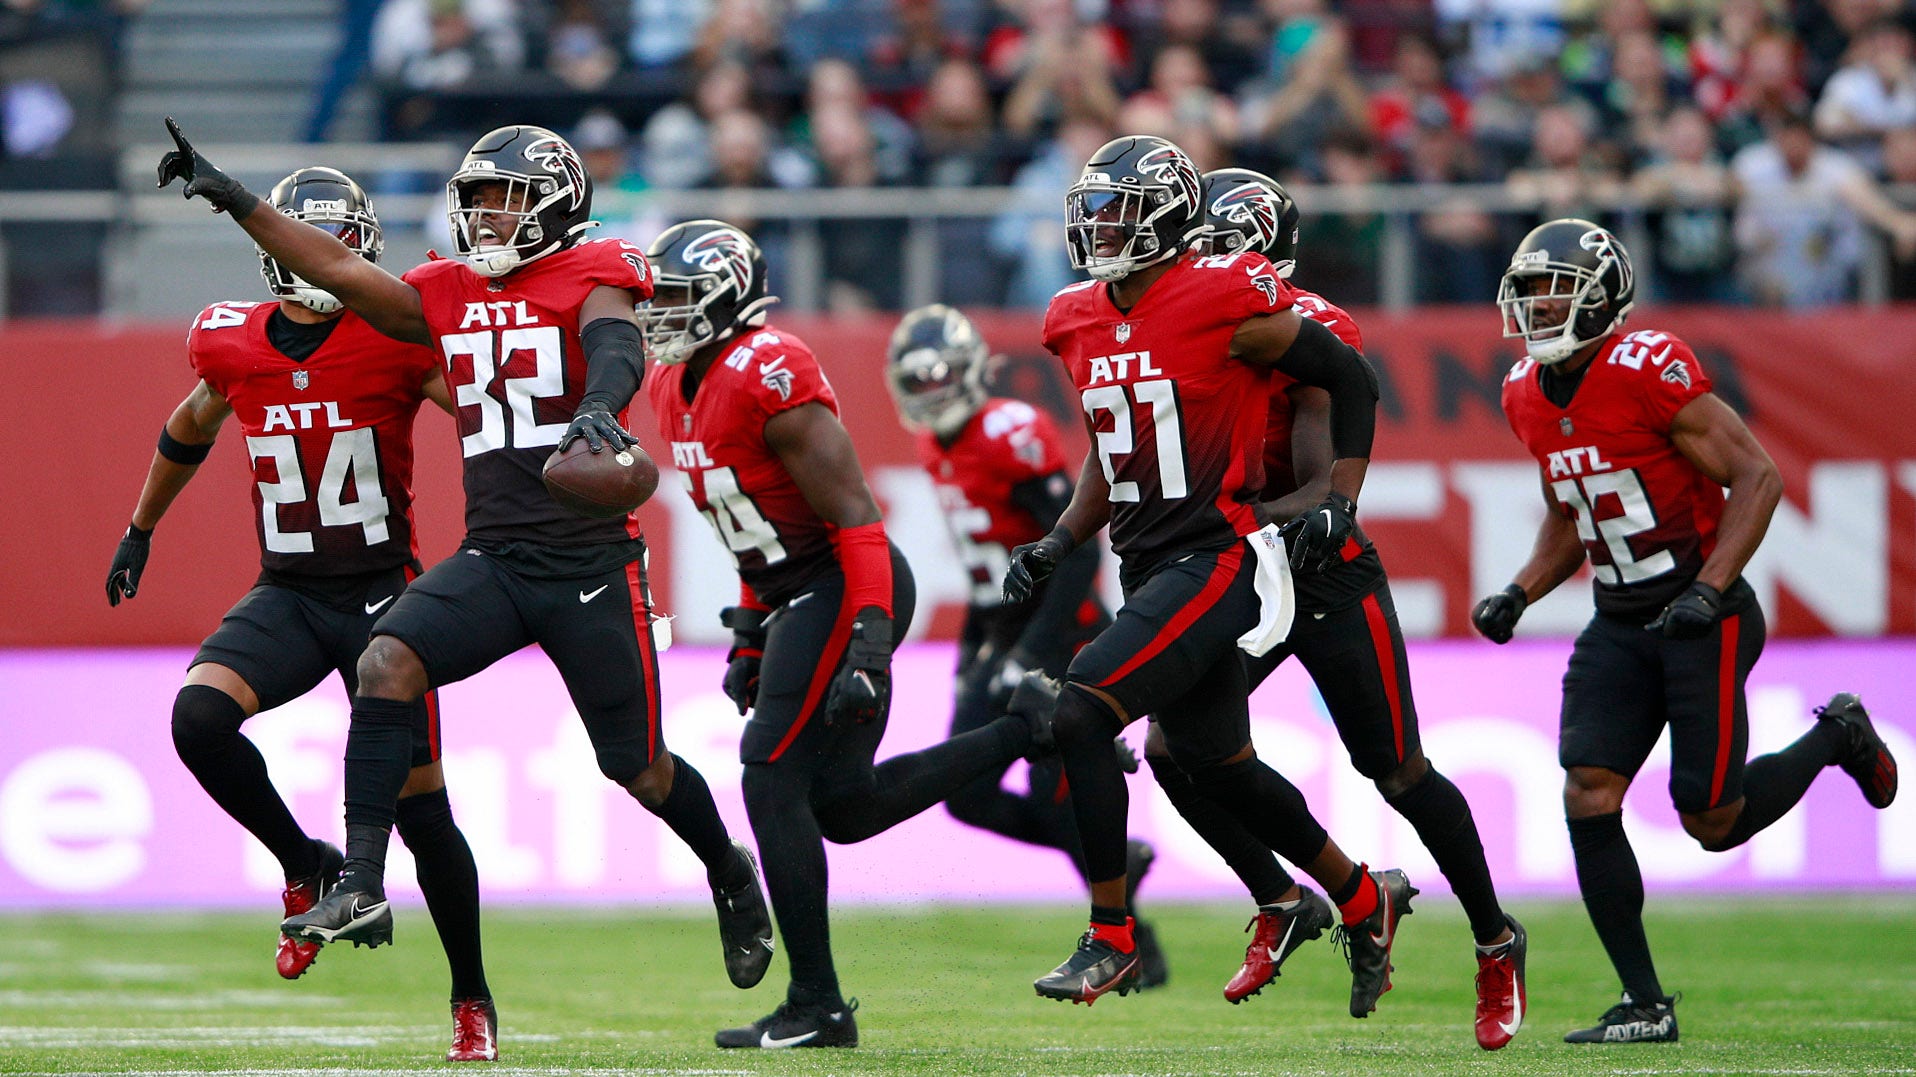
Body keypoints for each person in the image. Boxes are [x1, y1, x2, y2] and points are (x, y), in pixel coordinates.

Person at [154, 121, 776, 1042]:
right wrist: (238, 198)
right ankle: (360, 880)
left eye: (503, 196)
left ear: (555, 199)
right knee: (387, 660)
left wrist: (601, 405)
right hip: (496, 556)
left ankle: (728, 868)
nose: (485, 212)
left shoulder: (595, 267)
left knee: (634, 767)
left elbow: (615, 342)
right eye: (477, 196)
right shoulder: (442, 290)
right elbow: (339, 273)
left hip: (592, 565)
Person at [1473, 218, 1900, 1044]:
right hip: (1618, 615)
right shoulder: (1525, 390)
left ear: (1603, 299)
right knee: (1587, 790)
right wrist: (1520, 592)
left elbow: (1758, 476)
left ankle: (1838, 734)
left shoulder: (1648, 367)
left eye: (1557, 289)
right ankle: (1644, 1002)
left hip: (1703, 614)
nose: (1538, 307)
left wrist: (1707, 589)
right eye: (1528, 291)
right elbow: (1575, 513)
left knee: (1710, 818)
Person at [1011, 134, 1412, 1014]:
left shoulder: (1223, 291)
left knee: (1077, 707)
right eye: (1094, 208)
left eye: (1117, 207)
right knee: (1214, 763)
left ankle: (1111, 937)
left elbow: (1348, 375)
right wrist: (1058, 541)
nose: (1098, 225)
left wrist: (1338, 496)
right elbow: (1115, 444)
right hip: (1145, 557)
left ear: (1165, 213)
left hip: (1220, 553)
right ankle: (1356, 894)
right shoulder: (1074, 315)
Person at [106, 166, 498, 1062]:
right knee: (199, 719)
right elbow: (192, 422)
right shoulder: (231, 343)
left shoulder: (397, 339)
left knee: (423, 817)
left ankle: (470, 996)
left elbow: (487, 418)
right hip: (286, 589)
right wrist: (140, 527)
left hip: (386, 599)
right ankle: (301, 857)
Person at [1132, 167, 1525, 1048]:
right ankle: (1280, 897)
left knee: (1398, 772)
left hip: (1322, 573)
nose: (1204, 261)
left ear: (1263, 252)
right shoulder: (1180, 325)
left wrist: (1284, 512)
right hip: (1242, 568)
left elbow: (1319, 467)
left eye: (1222, 246)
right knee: (1173, 748)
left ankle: (1496, 938)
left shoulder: (1303, 327)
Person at [640, 221, 1056, 1048]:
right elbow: (748, 528)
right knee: (844, 807)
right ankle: (1026, 727)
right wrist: (752, 633)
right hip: (795, 588)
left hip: (844, 581)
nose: (662, 315)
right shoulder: (669, 385)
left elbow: (856, 521)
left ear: (726, 298)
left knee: (766, 776)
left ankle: (818, 1003)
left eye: (681, 298)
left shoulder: (769, 369)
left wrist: (867, 644)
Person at [884, 303, 1168, 988]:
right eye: (916, 381)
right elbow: (982, 566)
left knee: (1061, 793)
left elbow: (1073, 554)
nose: (931, 393)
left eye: (939, 376)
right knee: (968, 794)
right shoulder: (935, 444)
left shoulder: (1012, 430)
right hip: (1001, 626)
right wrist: (977, 652)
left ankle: (1135, 942)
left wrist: (1030, 653)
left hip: (1063, 629)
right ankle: (1121, 864)